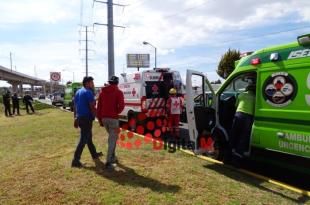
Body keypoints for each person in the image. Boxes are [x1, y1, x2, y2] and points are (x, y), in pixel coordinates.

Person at [71, 76, 103, 168]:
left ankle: (94, 154)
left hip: (80, 118)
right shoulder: (88, 92)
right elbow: (92, 107)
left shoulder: (78, 92)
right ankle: (75, 161)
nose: (93, 84)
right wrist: (99, 119)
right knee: (83, 140)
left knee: (88, 138)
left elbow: (75, 107)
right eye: (92, 83)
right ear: (87, 83)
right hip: (86, 119)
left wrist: (75, 118)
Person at [97, 76, 124, 169]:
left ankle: (112, 157)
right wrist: (116, 112)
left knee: (113, 138)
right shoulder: (119, 92)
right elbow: (121, 106)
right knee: (112, 140)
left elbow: (99, 107)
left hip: (104, 119)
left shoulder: (102, 92)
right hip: (113, 119)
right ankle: (109, 161)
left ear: (109, 82)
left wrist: (100, 120)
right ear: (116, 83)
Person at [230, 82, 256, 159]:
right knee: (244, 135)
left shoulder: (241, 94)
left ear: (247, 88)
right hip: (248, 117)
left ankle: (231, 149)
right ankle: (239, 153)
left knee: (234, 132)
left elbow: (236, 105)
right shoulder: (255, 97)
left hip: (238, 114)